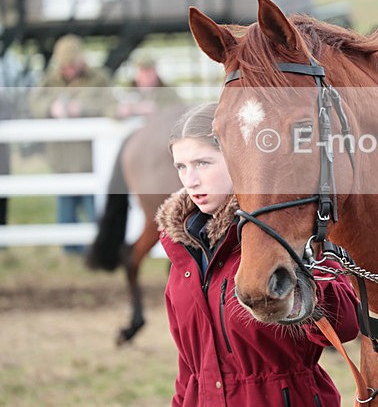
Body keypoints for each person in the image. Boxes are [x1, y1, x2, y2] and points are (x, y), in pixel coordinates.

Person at [155, 103, 360, 406]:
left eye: (203, 163)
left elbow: (344, 327)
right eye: (182, 167)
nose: (191, 180)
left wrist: (307, 269)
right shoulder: (183, 249)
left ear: (241, 159)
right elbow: (189, 368)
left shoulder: (286, 236)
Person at [28, 34, 111, 251]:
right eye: (64, 65)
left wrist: (81, 108)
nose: (68, 70)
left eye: (72, 64)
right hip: (61, 160)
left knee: (95, 212)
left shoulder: (98, 78)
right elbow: (34, 104)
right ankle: (70, 255)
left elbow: (107, 104)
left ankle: (97, 252)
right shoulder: (49, 80)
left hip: (90, 159)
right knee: (66, 214)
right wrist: (51, 107)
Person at [114, 55, 183, 119]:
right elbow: (110, 111)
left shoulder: (168, 93)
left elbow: (181, 111)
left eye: (150, 71)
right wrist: (126, 110)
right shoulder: (126, 91)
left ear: (156, 72)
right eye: (143, 71)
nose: (146, 75)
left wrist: (157, 109)